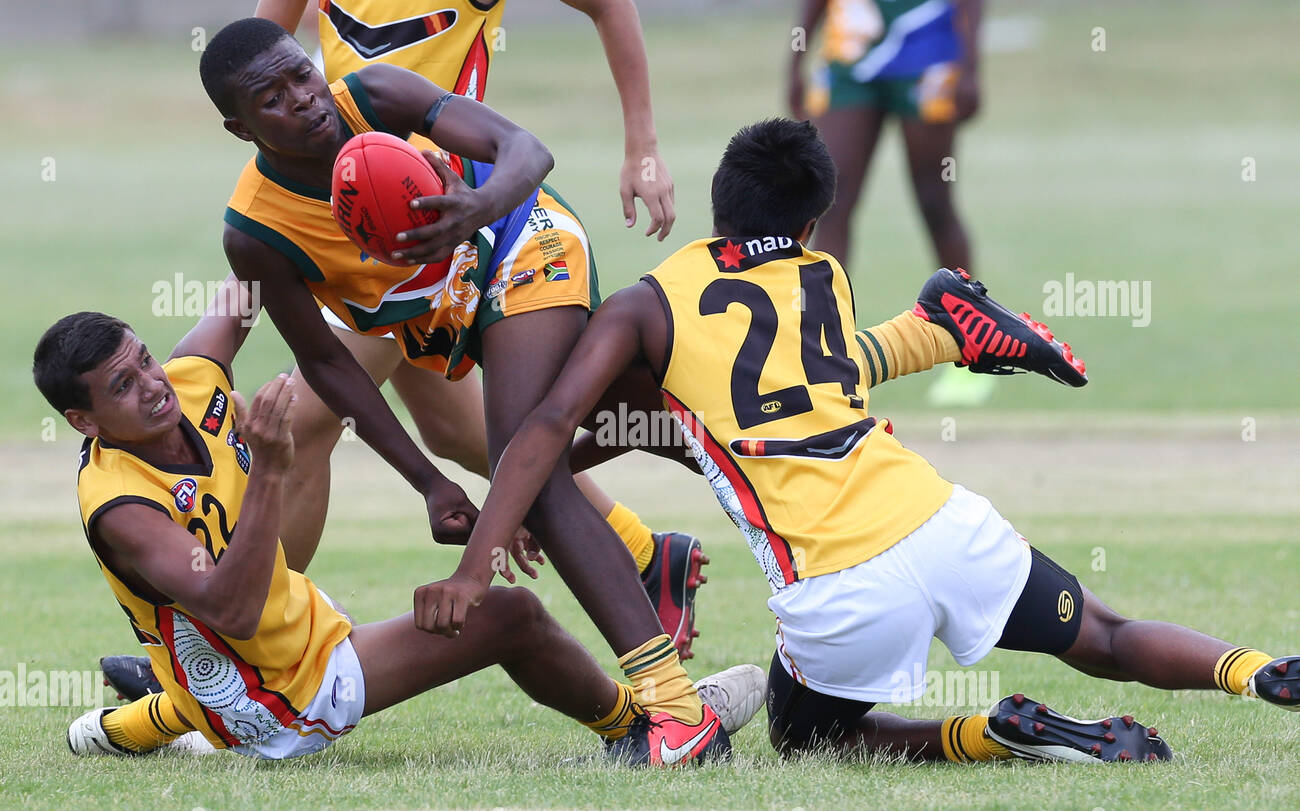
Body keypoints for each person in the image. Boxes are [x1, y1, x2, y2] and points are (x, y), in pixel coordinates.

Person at [413, 118, 1300, 764]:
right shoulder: (823, 276)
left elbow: (547, 422)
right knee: (1107, 635)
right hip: (946, 524)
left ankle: (989, 736)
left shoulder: (650, 299)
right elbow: (817, 373)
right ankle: (1261, 671)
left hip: (836, 593)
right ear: (808, 227)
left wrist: (481, 552)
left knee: (807, 739)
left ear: (719, 203)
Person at [197, 17, 727, 762]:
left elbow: (527, 152)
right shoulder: (254, 232)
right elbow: (326, 364)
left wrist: (476, 208)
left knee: (528, 464)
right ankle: (763, 440)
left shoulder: (372, 95)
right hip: (451, 319)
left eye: (300, 74)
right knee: (626, 421)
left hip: (520, 240)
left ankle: (677, 715)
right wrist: (427, 483)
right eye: (273, 97)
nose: (304, 98)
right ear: (237, 126)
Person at [34, 302, 761, 764]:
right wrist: (270, 471)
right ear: (85, 421)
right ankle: (641, 729)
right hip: (279, 693)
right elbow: (233, 610)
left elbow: (245, 270)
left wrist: (293, 153)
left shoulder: (191, 381)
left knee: (392, 331)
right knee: (512, 617)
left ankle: (131, 717)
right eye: (123, 386)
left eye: (145, 362)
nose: (154, 385)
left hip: (250, 654)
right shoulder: (118, 503)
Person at [790, 0, 992, 406]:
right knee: (828, 206)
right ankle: (817, 357)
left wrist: (970, 65)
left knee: (934, 202)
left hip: (927, 43)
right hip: (852, 45)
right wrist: (795, 59)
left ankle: (969, 350)